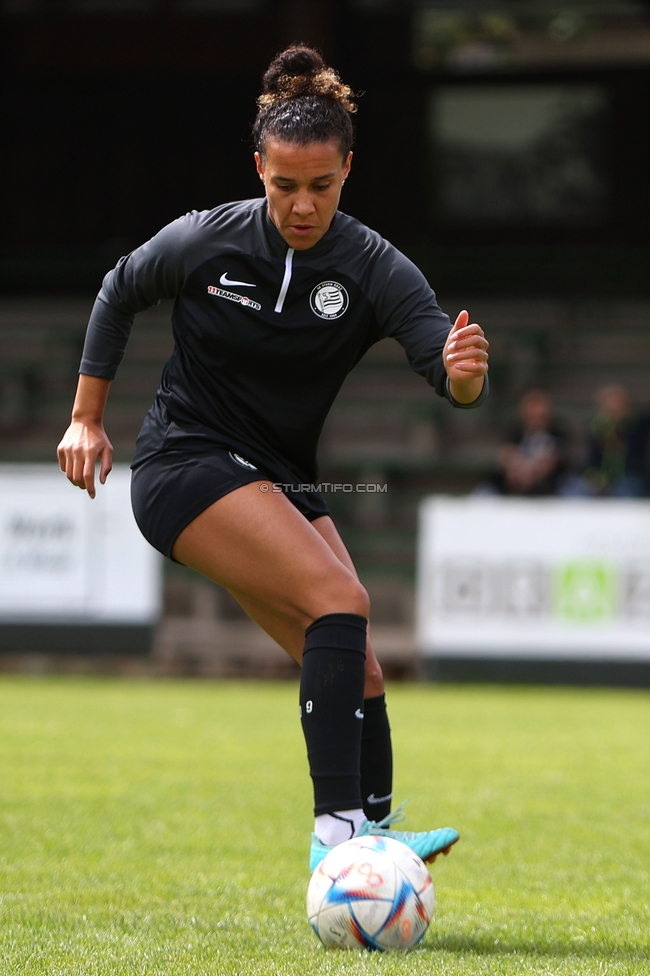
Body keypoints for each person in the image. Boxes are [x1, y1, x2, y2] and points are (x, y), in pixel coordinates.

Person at [57, 46, 489, 872]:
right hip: (184, 464)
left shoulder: (372, 266)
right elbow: (119, 287)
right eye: (283, 185)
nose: (300, 205)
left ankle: (377, 833)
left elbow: (447, 367)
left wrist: (466, 376)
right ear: (258, 167)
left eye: (320, 187)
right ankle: (340, 839)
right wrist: (87, 419)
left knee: (355, 654)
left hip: (277, 475)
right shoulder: (204, 240)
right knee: (340, 595)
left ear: (347, 171)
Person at [494, 389, 568, 496]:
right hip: (515, 482)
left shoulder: (558, 432)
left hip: (553, 485)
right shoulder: (515, 432)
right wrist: (517, 467)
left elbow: (554, 459)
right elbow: (505, 454)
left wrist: (530, 471)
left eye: (540, 417)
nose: (535, 421)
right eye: (532, 416)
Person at [583, 384, 649, 497]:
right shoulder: (595, 427)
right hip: (600, 476)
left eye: (618, 402)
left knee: (628, 490)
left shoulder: (638, 424)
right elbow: (591, 459)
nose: (614, 407)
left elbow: (636, 457)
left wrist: (622, 427)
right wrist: (596, 476)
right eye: (610, 402)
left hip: (629, 476)